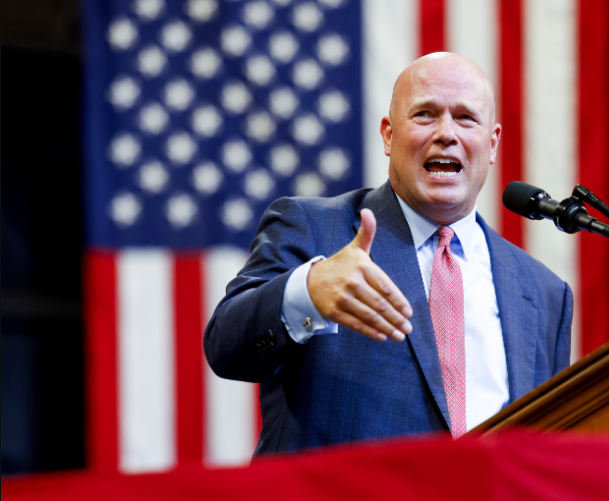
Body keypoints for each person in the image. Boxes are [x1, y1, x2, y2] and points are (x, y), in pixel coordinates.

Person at [204, 53, 574, 455]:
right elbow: (226, 346)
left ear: (492, 143)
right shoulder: (313, 228)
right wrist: (307, 291)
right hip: (345, 497)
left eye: (466, 118)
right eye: (425, 114)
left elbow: (547, 444)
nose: (446, 133)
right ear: (388, 134)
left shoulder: (545, 293)